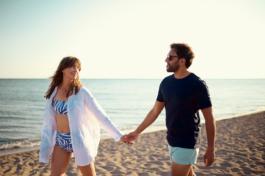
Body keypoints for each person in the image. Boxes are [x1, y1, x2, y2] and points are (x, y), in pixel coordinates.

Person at [126, 43, 216, 176]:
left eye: (170, 57)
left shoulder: (197, 84)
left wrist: (211, 149)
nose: (166, 60)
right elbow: (155, 111)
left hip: (187, 141)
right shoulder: (166, 83)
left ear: (182, 61)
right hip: (171, 140)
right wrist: (137, 131)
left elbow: (209, 118)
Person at [39, 56, 133, 176]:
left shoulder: (81, 92)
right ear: (63, 69)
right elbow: (49, 119)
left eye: (78, 68)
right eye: (73, 66)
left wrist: (119, 135)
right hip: (60, 140)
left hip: (79, 140)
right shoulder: (54, 91)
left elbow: (100, 115)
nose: (76, 70)